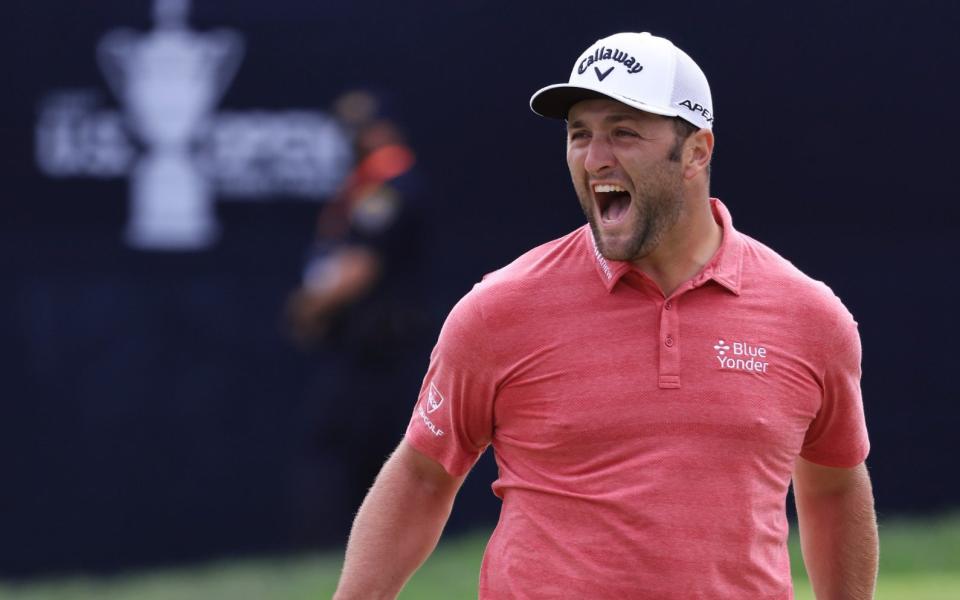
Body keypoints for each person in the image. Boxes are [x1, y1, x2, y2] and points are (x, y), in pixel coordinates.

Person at [333, 32, 878, 599]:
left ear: (697, 151)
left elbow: (835, 488)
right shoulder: (499, 311)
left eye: (623, 132)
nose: (595, 158)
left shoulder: (809, 317)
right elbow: (422, 477)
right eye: (579, 134)